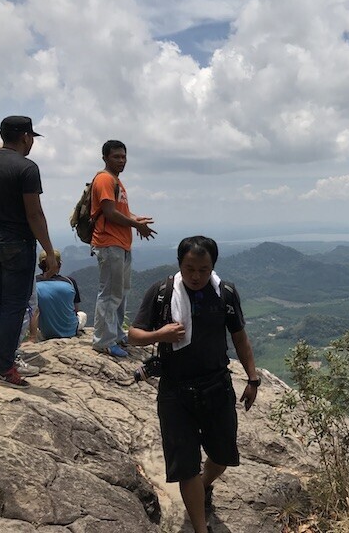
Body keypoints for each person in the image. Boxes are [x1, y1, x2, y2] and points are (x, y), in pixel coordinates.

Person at [129, 236, 260, 533]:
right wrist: (160, 334)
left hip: (216, 386)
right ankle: (200, 527)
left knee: (222, 457)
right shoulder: (161, 292)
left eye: (203, 269)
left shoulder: (224, 294)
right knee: (186, 466)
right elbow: (133, 335)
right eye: (190, 268)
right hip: (175, 392)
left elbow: (239, 337)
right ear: (179, 265)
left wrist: (253, 379)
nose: (196, 276)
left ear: (212, 266)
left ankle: (204, 487)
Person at [0, 116, 59, 388]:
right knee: (13, 305)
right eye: (31, 138)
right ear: (25, 137)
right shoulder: (26, 168)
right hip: (16, 241)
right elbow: (34, 213)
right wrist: (49, 252)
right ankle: (3, 368)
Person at [91, 140, 155, 358]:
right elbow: (109, 212)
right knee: (109, 293)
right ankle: (103, 341)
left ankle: (117, 334)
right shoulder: (105, 179)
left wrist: (136, 218)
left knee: (120, 293)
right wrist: (137, 225)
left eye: (123, 157)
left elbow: (119, 211)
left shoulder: (116, 181)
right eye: (116, 157)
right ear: (105, 158)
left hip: (120, 244)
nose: (121, 160)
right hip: (109, 244)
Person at [30, 249, 86, 340]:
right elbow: (75, 310)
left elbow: (33, 311)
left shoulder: (33, 283)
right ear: (59, 264)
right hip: (70, 331)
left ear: (40, 265)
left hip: (46, 332)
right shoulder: (70, 282)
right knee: (82, 315)